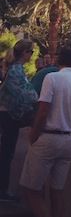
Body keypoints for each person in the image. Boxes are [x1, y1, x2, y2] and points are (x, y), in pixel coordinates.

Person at [19, 47, 71, 217]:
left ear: (59, 61)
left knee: (30, 189)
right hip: (69, 140)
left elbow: (43, 110)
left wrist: (34, 135)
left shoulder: (52, 78)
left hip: (49, 137)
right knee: (57, 190)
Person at [0, 38, 38, 202]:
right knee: (6, 153)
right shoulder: (16, 71)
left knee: (7, 152)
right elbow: (25, 95)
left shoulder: (17, 69)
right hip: (9, 115)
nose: (32, 55)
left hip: (10, 114)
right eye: (31, 52)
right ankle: (3, 191)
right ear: (25, 53)